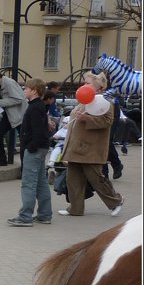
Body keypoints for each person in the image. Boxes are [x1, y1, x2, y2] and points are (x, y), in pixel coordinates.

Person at [58, 71, 124, 219]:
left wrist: (87, 119)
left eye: (88, 84)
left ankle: (116, 201)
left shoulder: (105, 102)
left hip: (91, 148)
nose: (84, 86)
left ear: (99, 88)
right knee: (73, 179)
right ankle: (76, 208)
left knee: (96, 178)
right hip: (77, 146)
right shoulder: (84, 100)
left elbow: (108, 122)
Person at [7, 78, 53, 226]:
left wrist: (30, 147)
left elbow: (38, 131)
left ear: (34, 90)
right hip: (41, 148)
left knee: (29, 183)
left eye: (26, 88)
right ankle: (45, 214)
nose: (24, 90)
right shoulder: (38, 106)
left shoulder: (34, 107)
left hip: (35, 149)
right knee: (41, 183)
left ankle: (25, 216)